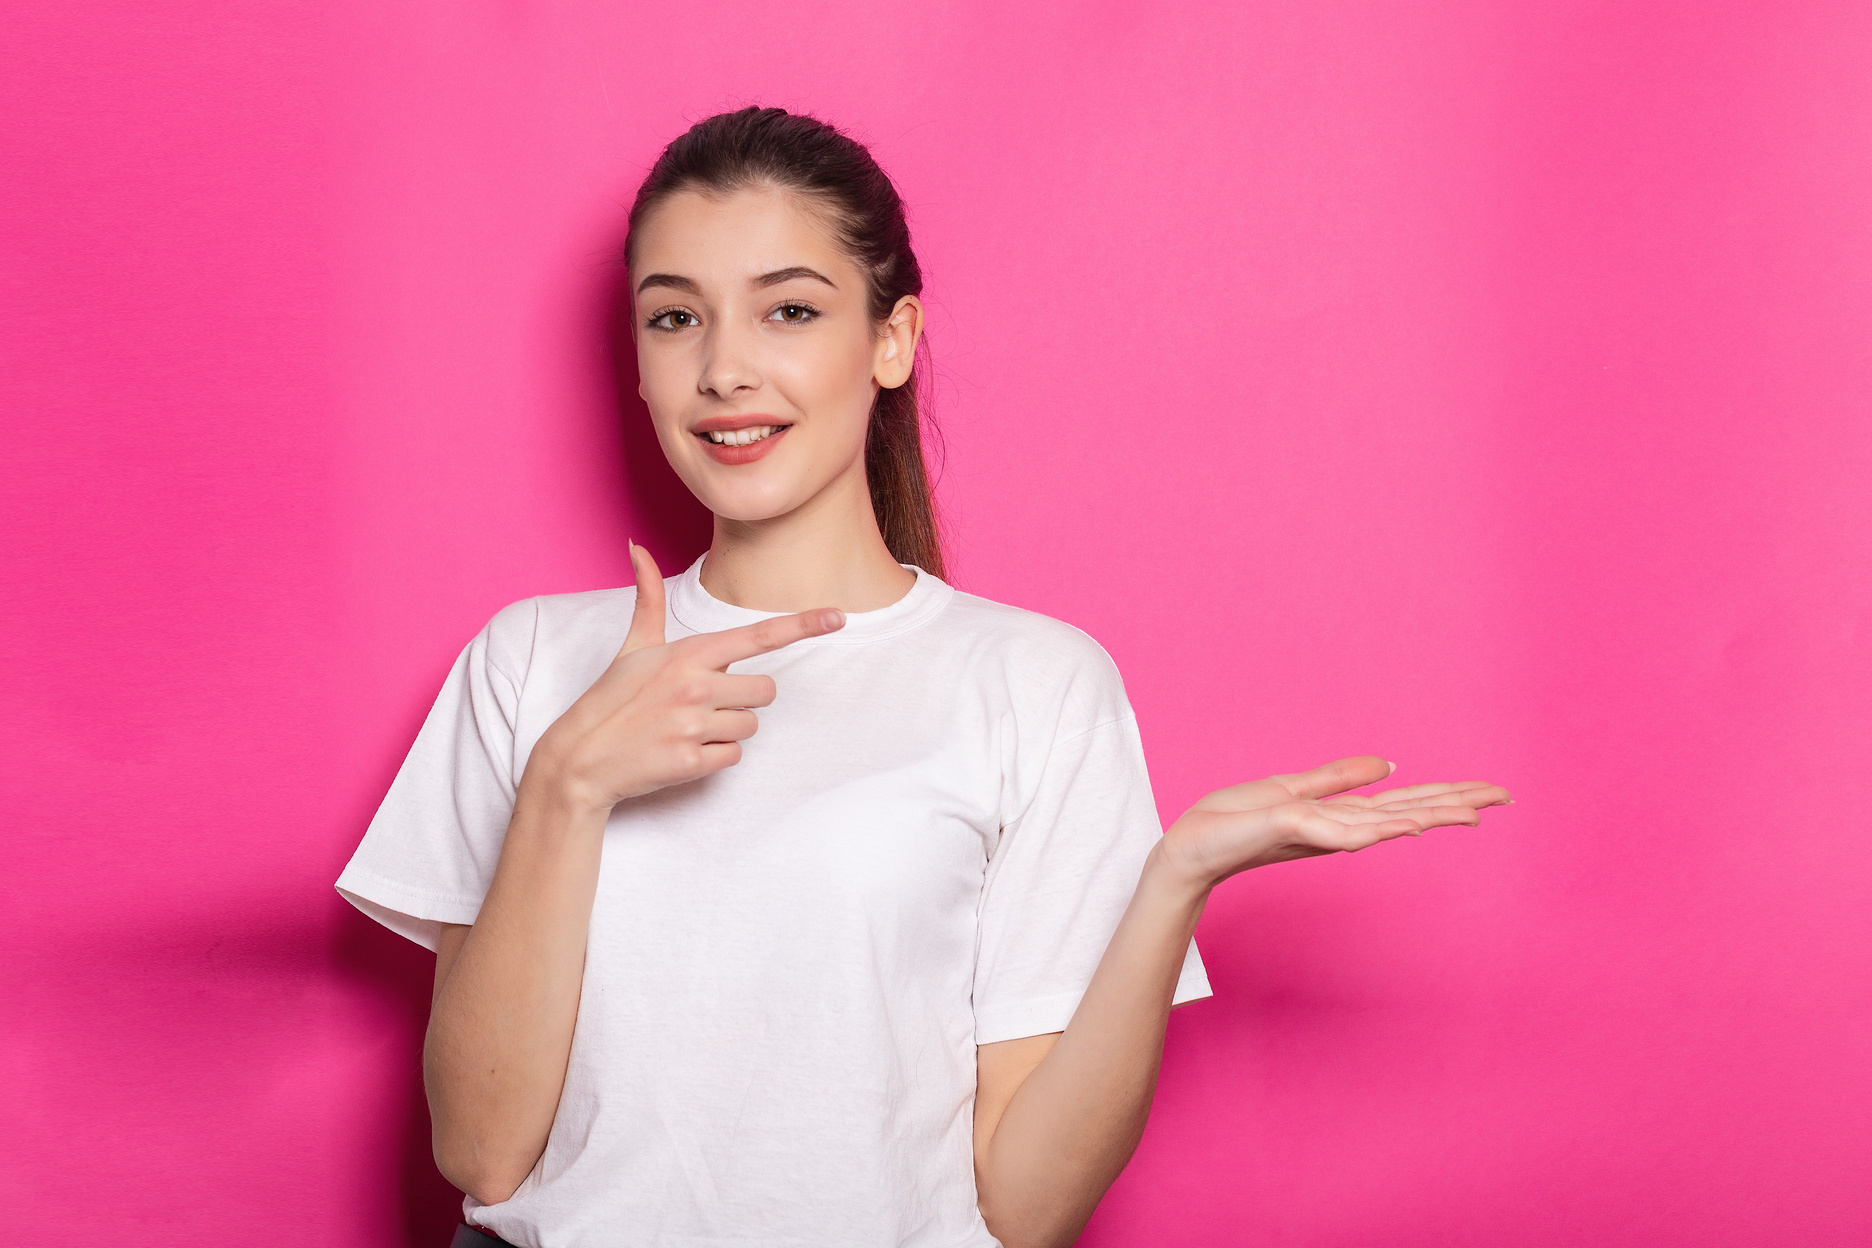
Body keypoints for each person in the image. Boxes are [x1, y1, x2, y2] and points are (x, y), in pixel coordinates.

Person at [336, 106, 1510, 1248]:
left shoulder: (1034, 682)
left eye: (788, 309)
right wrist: (567, 786)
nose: (725, 368)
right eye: (674, 319)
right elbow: (481, 1154)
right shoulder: (532, 660)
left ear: (890, 340)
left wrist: (1175, 882)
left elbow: (1026, 1212)